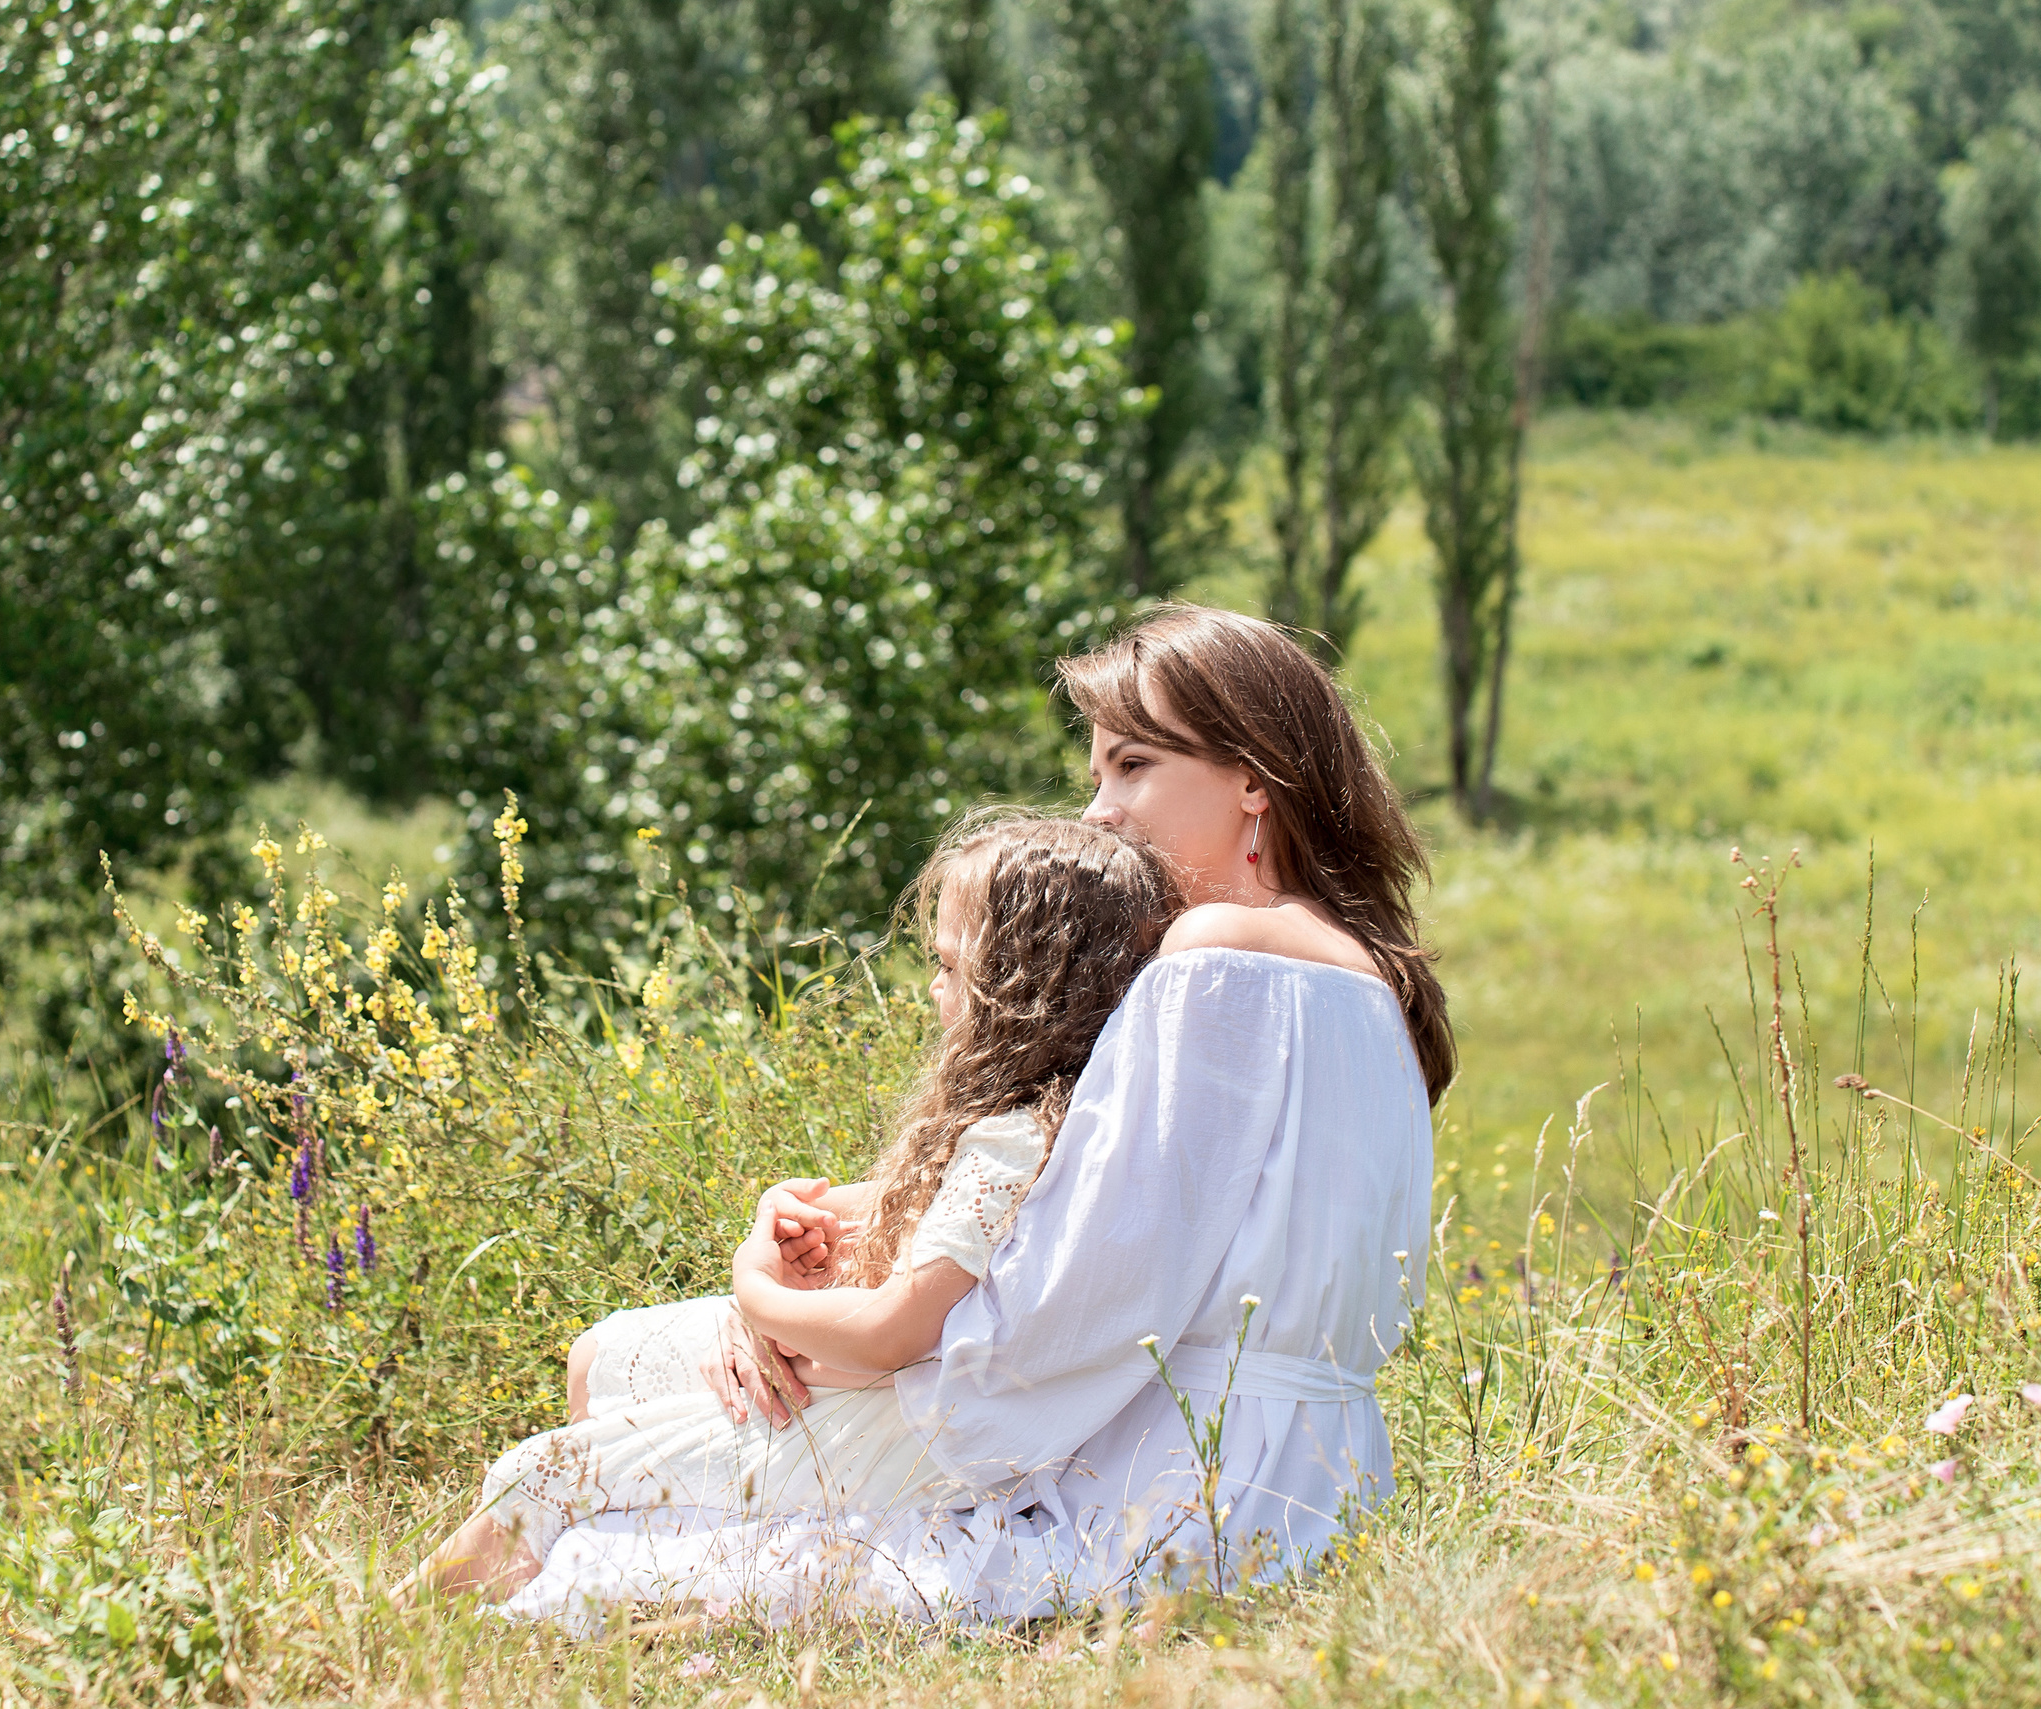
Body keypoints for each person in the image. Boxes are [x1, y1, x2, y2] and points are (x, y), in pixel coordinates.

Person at [491, 603, 1447, 1625]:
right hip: (1297, 1459)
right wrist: (850, 1237)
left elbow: (1088, 1287)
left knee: (599, 1512)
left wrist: (841, 1336)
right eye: (1096, 773)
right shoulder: (1361, 973)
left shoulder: (1217, 952)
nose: (1099, 810)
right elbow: (1117, 1204)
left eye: (1131, 766)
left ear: (1252, 779)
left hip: (1166, 1469)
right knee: (611, 1366)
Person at [406, 813, 1176, 1599]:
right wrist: (780, 1215)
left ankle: (403, 1629)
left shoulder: (1015, 1136)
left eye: (948, 965)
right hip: (904, 1395)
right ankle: (626, 1525)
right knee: (599, 1357)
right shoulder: (1039, 1117)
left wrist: (760, 1297)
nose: (934, 987)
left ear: (1020, 985)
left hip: (916, 1424)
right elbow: (914, 1208)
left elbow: (891, 1334)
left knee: (539, 1473)